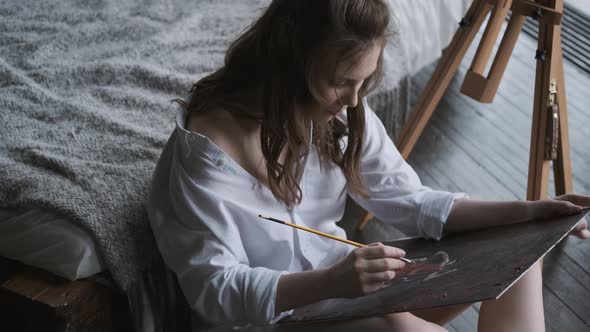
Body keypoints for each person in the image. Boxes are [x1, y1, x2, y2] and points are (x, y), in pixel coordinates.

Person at [146, 0, 590, 331]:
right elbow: (215, 293)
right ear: (288, 62)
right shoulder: (204, 159)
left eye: (364, 81)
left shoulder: (337, 115)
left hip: (353, 297)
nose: (355, 101)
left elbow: (412, 202)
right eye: (341, 82)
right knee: (399, 325)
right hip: (284, 318)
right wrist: (334, 282)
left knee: (520, 254)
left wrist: (529, 213)